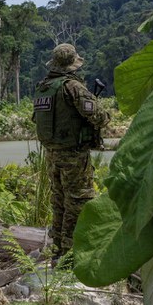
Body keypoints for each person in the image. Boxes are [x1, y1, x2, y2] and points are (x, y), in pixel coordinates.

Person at [32, 43, 110, 261]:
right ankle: (70, 252)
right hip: (73, 155)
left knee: (59, 200)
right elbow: (98, 116)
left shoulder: (43, 87)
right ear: (71, 64)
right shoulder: (72, 87)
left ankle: (58, 246)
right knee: (78, 200)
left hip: (52, 153)